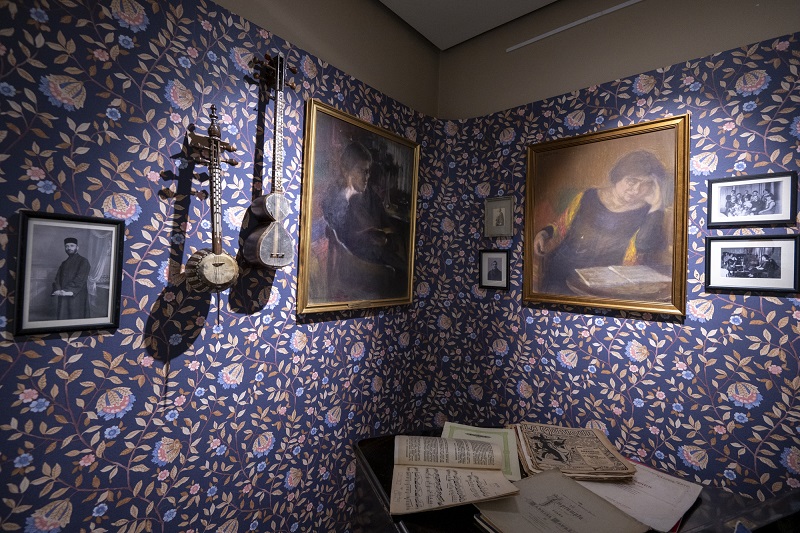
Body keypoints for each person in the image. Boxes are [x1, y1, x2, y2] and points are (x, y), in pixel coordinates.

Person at [533, 150, 667, 294]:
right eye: (632, 181)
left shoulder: (648, 213)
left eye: (646, 184)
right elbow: (561, 225)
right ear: (619, 175)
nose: (636, 190)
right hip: (564, 272)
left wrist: (656, 206)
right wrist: (544, 233)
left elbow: (645, 246)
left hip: (608, 283)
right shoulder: (587, 196)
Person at [321, 141, 407, 274]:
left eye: (368, 171)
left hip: (379, 252)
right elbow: (341, 238)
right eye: (362, 171)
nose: (367, 176)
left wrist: (383, 236)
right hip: (353, 262)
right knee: (394, 272)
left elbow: (386, 223)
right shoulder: (334, 199)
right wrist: (368, 236)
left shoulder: (370, 195)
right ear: (346, 171)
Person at [52, 237, 91, 319]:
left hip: (77, 295)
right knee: (63, 317)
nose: (69, 248)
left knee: (76, 318)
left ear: (77, 247)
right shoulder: (64, 263)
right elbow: (57, 278)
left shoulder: (83, 261)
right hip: (63, 295)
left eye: (72, 246)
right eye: (67, 246)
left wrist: (65, 291)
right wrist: (57, 289)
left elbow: (80, 279)